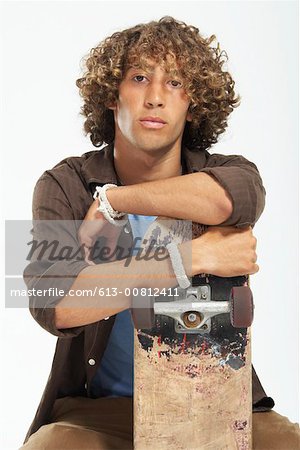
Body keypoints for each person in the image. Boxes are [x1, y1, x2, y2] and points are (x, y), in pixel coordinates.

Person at [21, 16, 299, 450]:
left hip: (219, 401)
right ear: (112, 96)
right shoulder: (65, 185)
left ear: (194, 103)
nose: (155, 98)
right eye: (139, 78)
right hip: (101, 411)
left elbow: (230, 201)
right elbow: (52, 303)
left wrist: (117, 200)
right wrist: (192, 258)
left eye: (174, 83)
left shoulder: (227, 171)